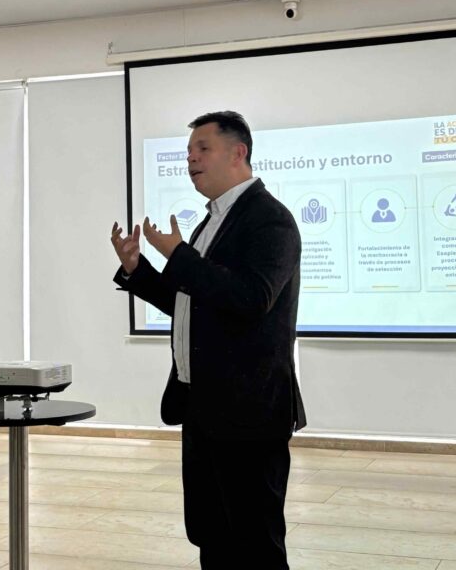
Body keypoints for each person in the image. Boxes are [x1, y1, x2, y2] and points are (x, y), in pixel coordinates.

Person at [110, 111, 304, 570]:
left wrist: (180, 256)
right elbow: (190, 304)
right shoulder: (210, 222)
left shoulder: (270, 220)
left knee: (255, 544)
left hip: (249, 410)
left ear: (238, 153)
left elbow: (252, 298)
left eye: (203, 149)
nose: (191, 159)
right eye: (188, 152)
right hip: (203, 407)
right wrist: (139, 270)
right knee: (211, 535)